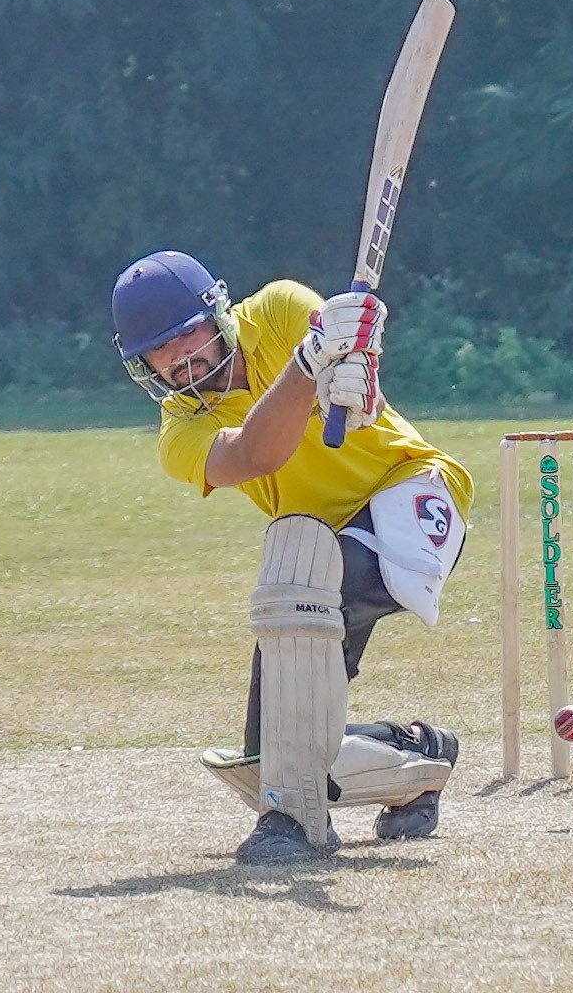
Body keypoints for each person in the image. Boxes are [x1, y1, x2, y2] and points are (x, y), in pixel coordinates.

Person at [111, 250, 474, 863]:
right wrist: (308, 367)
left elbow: (354, 367)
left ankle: (293, 822)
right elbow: (254, 455)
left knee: (312, 595)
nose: (176, 360)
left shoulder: (279, 309)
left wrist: (356, 369)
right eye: (158, 353)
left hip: (409, 489)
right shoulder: (180, 434)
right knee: (267, 760)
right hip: (314, 550)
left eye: (185, 336)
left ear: (217, 313)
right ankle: (419, 755)